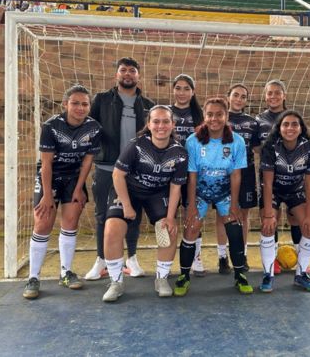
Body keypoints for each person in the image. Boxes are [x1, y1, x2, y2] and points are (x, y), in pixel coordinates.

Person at [22, 85, 102, 299]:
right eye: (75, 103)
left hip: (74, 178)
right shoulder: (51, 126)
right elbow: (46, 165)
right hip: (50, 177)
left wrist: (78, 188)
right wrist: (47, 195)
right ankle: (33, 278)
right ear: (65, 104)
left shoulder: (94, 128)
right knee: (43, 222)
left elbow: (87, 163)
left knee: (70, 223)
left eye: (84, 104)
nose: (80, 107)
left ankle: (65, 272)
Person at [101, 106, 188, 302]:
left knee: (169, 230)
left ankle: (162, 278)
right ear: (148, 124)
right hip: (128, 190)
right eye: (156, 121)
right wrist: (127, 205)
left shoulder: (179, 153)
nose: (161, 126)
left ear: (173, 124)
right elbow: (117, 175)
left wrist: (171, 217)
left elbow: (176, 187)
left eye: (166, 121)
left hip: (157, 192)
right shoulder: (137, 145)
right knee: (112, 230)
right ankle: (116, 282)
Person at [84, 57, 156, 281]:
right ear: (116, 75)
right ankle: (101, 259)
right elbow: (90, 129)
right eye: (123, 70)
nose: (127, 74)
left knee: (132, 214)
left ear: (138, 76)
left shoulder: (148, 105)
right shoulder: (102, 100)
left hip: (136, 170)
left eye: (132, 70)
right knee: (102, 215)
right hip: (107, 167)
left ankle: (131, 257)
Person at [174, 97, 253, 296]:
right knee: (191, 228)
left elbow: (236, 175)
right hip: (199, 192)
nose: (214, 118)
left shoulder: (237, 141)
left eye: (219, 114)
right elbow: (191, 176)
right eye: (210, 114)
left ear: (226, 116)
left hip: (224, 193)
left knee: (234, 228)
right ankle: (184, 275)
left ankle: (240, 275)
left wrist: (234, 204)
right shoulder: (193, 141)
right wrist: (191, 205)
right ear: (204, 116)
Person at [259, 110, 310, 293]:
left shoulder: (309, 148)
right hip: (274, 190)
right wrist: (269, 215)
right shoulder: (270, 147)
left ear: (301, 129)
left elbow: (309, 184)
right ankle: (268, 274)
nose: (290, 128)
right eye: (286, 124)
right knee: (268, 226)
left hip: (295, 190)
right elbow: (267, 183)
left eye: (295, 124)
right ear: (279, 128)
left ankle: (301, 274)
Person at [255, 79, 301, 274]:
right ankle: (272, 260)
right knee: (271, 217)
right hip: (269, 176)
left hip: (292, 177)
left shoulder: (292, 118)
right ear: (265, 96)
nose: (273, 96)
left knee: (296, 218)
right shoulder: (259, 120)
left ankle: (301, 258)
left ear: (284, 95)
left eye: (277, 93)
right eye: (269, 93)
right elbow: (256, 146)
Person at [214, 83, 260, 275]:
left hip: (246, 171)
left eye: (243, 96)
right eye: (236, 95)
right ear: (228, 97)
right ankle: (222, 257)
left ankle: (242, 254)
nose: (239, 99)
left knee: (243, 215)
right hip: (223, 172)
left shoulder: (252, 122)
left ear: (246, 101)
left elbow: (258, 149)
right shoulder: (220, 119)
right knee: (222, 214)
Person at [168, 74, 205, 276]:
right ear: (173, 90)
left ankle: (195, 256)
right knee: (169, 214)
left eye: (186, 88)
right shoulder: (167, 112)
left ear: (193, 91)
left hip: (193, 171)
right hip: (169, 169)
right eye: (178, 88)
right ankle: (167, 257)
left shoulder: (199, 115)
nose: (182, 92)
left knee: (193, 212)